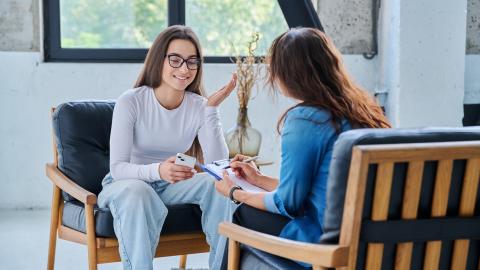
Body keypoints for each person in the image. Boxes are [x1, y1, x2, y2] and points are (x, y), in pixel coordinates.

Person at [214, 27, 391, 269]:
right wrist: (260, 179)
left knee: (244, 213)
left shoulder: (305, 119)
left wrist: (235, 192)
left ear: (288, 74)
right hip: (372, 244)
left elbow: (290, 204)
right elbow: (320, 192)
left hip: (328, 246)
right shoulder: (364, 111)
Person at [97, 25, 238, 270]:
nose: (184, 69)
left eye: (192, 62)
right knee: (138, 193)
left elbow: (218, 166)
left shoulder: (199, 106)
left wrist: (211, 111)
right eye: (175, 59)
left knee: (218, 185)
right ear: (158, 60)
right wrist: (158, 171)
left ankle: (222, 267)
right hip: (126, 184)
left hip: (171, 185)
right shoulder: (131, 101)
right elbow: (118, 168)